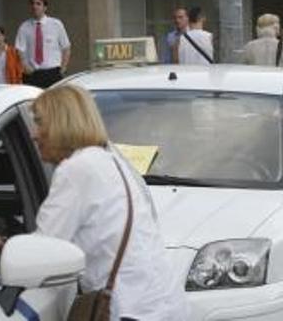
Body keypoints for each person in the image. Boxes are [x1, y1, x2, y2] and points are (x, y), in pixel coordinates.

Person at [30, 85, 188, 320]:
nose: (34, 134)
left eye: (40, 123)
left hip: (133, 310)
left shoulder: (76, 170)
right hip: (162, 304)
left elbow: (42, 251)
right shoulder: (108, 158)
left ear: (60, 124)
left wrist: (3, 251)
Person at [15, 0, 71, 88]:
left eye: (38, 4)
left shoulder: (56, 24)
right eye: (32, 3)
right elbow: (19, 50)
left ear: (45, 7)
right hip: (32, 74)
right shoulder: (24, 26)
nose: (35, 6)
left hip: (53, 74)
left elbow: (66, 47)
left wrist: (63, 68)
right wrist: (25, 66)